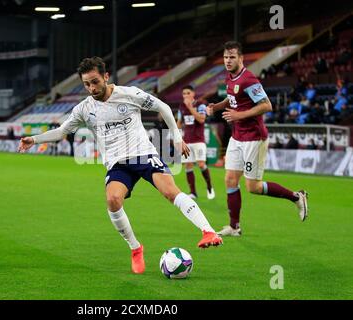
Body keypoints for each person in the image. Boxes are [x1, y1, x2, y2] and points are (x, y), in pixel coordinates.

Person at [18, 56, 222, 274]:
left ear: (106, 77)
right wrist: (35, 139)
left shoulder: (129, 94)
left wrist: (177, 137)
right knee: (112, 199)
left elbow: (162, 106)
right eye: (86, 84)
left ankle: (208, 231)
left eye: (95, 81)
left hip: (143, 154)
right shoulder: (84, 109)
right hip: (117, 164)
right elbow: (62, 131)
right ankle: (135, 248)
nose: (91, 88)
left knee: (171, 192)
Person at [206, 41, 308, 237]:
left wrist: (238, 115)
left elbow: (266, 105)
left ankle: (296, 196)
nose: (228, 61)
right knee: (229, 179)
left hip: (254, 137)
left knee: (253, 186)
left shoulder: (249, 80)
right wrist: (217, 107)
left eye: (232, 57)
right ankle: (234, 227)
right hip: (237, 136)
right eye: (226, 57)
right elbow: (233, 98)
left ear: (241, 58)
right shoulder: (230, 78)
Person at [176, 85, 215, 200]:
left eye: (188, 93)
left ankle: (209, 187)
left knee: (201, 164)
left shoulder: (200, 105)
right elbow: (179, 122)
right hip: (187, 141)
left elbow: (202, 119)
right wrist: (178, 138)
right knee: (188, 166)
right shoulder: (181, 107)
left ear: (193, 94)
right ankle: (193, 192)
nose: (186, 95)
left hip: (198, 140)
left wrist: (190, 108)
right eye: (184, 93)